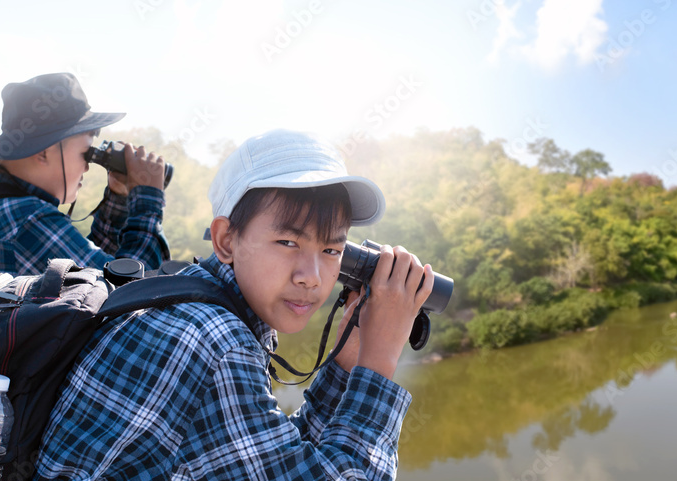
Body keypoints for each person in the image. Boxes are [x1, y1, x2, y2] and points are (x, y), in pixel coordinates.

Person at [35, 129, 433, 480]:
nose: (311, 276)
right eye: (288, 242)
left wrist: (349, 357)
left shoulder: (191, 303)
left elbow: (278, 461)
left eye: (332, 249)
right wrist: (378, 362)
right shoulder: (214, 339)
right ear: (226, 240)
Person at [0, 72, 169, 298]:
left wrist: (118, 198)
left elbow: (85, 274)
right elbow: (127, 294)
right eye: (86, 153)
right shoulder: (25, 218)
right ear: (44, 152)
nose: (87, 167)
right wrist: (148, 197)